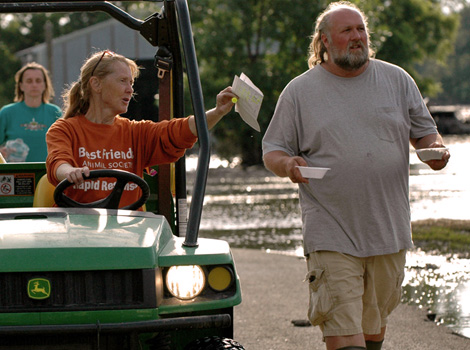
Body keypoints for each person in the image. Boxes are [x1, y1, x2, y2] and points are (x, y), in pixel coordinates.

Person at [262, 2, 450, 350]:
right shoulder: (299, 92)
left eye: (361, 29)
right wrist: (287, 165)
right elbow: (272, 150)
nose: (356, 37)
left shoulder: (397, 80)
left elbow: (426, 133)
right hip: (329, 227)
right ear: (324, 42)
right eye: (347, 31)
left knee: (372, 327)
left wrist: (434, 151)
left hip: (388, 228)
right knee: (342, 328)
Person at [46, 50, 236, 208]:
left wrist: (218, 112)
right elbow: (58, 162)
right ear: (96, 84)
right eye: (122, 81)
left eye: (131, 83)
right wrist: (70, 172)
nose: (130, 89)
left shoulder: (135, 132)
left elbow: (179, 131)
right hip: (77, 227)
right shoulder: (64, 129)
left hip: (127, 231)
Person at [0, 62, 62, 162]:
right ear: (21, 86)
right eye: (29, 81)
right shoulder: (6, 113)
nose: (34, 85)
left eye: (38, 81)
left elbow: (64, 147)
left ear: (45, 85)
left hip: (47, 173)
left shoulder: (55, 112)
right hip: (15, 173)